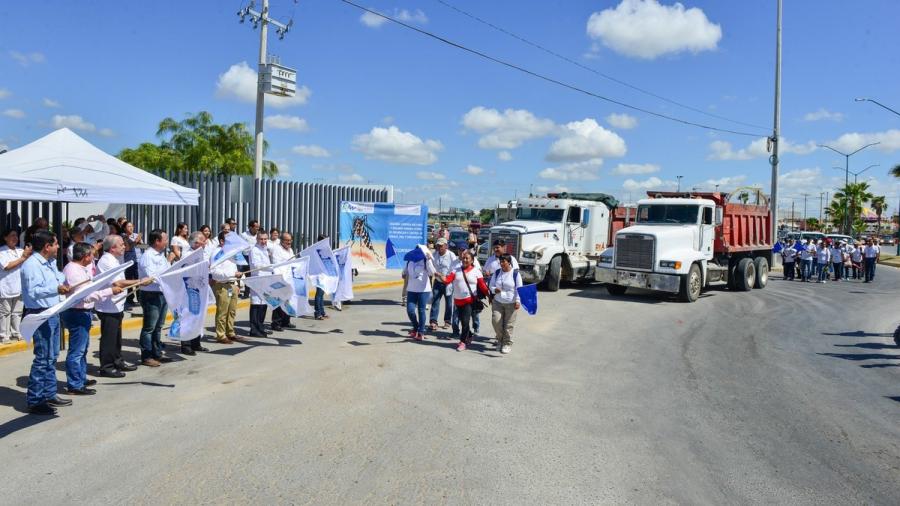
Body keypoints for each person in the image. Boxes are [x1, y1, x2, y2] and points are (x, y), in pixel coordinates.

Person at [61, 242, 124, 395]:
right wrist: (110, 291)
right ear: (85, 256)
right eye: (91, 254)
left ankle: (80, 378)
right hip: (77, 313)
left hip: (83, 313)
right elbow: (86, 296)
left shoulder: (80, 268)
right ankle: (75, 384)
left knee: (82, 349)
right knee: (77, 351)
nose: (93, 257)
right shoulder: (73, 271)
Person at [22, 230, 72, 415]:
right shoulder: (31, 266)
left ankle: (49, 394)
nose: (59, 247)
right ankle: (35, 400)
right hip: (39, 314)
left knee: (52, 356)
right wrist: (56, 288)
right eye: (56, 244)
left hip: (52, 312)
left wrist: (61, 285)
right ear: (47, 246)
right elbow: (34, 291)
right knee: (42, 358)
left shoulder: (50, 263)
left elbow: (60, 277)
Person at [96, 235, 145, 377]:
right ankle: (106, 366)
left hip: (116, 304)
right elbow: (118, 283)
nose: (124, 246)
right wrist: (140, 281)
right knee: (109, 338)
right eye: (121, 244)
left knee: (117, 337)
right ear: (112, 248)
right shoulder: (107, 261)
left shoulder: (115, 259)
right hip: (108, 305)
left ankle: (118, 361)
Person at [137, 229, 176, 367]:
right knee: (149, 327)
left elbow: (167, 272)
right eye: (165, 239)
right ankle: (146, 355)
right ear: (157, 241)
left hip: (161, 292)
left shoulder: (161, 255)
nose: (167, 242)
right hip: (151, 294)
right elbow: (151, 276)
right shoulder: (148, 256)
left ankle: (156, 352)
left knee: (158, 326)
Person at [444, 251, 489, 352]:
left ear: (472, 260)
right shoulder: (455, 270)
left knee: (465, 322)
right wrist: (437, 274)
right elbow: (447, 280)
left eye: (467, 258)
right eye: (463, 258)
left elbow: (482, 286)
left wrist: (489, 296)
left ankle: (462, 342)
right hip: (458, 301)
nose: (464, 260)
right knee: (463, 321)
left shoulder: (476, 271)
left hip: (469, 301)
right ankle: (470, 335)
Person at [181, 231, 213, 355]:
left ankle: (196, 343)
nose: (205, 243)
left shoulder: (202, 253)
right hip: (189, 288)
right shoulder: (187, 254)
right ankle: (186, 345)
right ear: (195, 243)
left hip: (200, 288)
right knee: (188, 317)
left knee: (198, 316)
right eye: (202, 241)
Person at [210, 231, 245, 343]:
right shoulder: (217, 253)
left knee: (232, 311)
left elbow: (234, 269)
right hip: (222, 285)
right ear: (221, 241)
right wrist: (232, 274)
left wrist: (237, 282)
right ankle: (221, 335)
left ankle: (230, 332)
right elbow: (215, 272)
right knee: (222, 312)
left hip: (232, 285)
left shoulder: (231, 252)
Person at [0, 229, 29, 343]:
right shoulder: (1, 252)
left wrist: (26, 256)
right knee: (5, 312)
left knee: (17, 312)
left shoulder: (20, 250)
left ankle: (16, 332)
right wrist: (23, 258)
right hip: (5, 287)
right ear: (5, 238)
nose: (15, 238)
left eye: (16, 236)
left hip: (19, 286)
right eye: (12, 236)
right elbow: (7, 266)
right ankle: (4, 335)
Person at [489, 254, 522, 354]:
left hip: (511, 303)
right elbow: (491, 285)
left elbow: (519, 289)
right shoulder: (497, 272)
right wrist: (495, 290)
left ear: (509, 262)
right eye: (500, 262)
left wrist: (518, 301)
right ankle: (500, 340)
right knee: (496, 321)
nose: (501, 264)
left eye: (504, 261)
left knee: (508, 325)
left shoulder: (515, 274)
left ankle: (507, 343)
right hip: (498, 302)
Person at [403, 245, 436, 341]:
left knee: (421, 311)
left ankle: (421, 332)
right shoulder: (410, 260)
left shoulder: (426, 260)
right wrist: (404, 273)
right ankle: (416, 327)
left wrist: (429, 260)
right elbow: (405, 271)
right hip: (411, 289)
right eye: (416, 249)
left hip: (423, 290)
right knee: (410, 310)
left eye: (419, 249)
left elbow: (432, 273)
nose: (417, 251)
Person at [248, 230, 273, 337]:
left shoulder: (265, 249)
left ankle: (260, 327)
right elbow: (256, 265)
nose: (263, 241)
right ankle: (254, 329)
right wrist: (271, 267)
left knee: (263, 305)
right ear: (257, 239)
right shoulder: (254, 250)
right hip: (257, 280)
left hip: (265, 280)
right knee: (256, 305)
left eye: (265, 239)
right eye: (261, 239)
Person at [428, 238, 457, 332]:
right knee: (435, 301)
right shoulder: (434, 255)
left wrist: (447, 277)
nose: (439, 247)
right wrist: (434, 273)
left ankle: (447, 321)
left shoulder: (451, 255)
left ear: (446, 246)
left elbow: (455, 268)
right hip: (437, 282)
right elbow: (430, 266)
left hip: (448, 282)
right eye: (438, 245)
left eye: (441, 245)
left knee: (449, 303)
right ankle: (433, 321)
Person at [270, 231, 295, 331]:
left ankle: (286, 321)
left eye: (290, 240)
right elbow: (276, 265)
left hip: (289, 279)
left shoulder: (290, 250)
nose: (289, 242)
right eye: (287, 240)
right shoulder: (277, 249)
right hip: (280, 279)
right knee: (279, 301)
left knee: (288, 301)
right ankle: (276, 323)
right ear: (281, 240)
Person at [313, 234, 329, 320]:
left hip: (324, 274)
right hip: (318, 274)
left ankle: (322, 312)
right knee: (319, 294)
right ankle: (317, 313)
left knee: (322, 294)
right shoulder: (316, 250)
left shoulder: (325, 250)